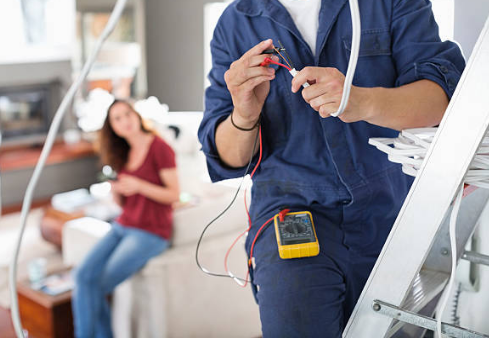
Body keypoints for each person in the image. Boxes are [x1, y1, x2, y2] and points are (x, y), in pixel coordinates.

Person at [198, 0, 465, 337]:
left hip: (391, 215)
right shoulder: (236, 21)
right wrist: (244, 114)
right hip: (289, 210)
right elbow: (228, 155)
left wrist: (360, 101)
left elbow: (443, 102)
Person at [72, 100, 179, 338]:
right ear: (113, 128)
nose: (124, 121)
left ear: (136, 115)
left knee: (95, 287)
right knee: (82, 276)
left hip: (150, 232)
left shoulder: (160, 148)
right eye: (117, 119)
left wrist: (140, 185)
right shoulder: (122, 153)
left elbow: (173, 194)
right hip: (123, 224)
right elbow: (124, 204)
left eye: (126, 114)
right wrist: (118, 193)